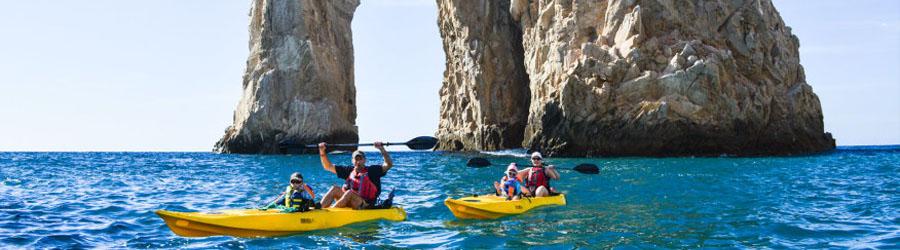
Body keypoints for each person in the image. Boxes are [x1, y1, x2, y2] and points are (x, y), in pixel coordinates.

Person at [318, 141, 394, 209]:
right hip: (350, 201)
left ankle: (332, 213)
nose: (358, 162)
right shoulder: (348, 170)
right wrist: (322, 152)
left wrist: (382, 149)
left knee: (349, 193)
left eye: (360, 159)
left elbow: (388, 164)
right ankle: (318, 209)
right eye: (356, 159)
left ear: (364, 160)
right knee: (334, 189)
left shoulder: (372, 170)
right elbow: (328, 166)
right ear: (352, 161)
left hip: (365, 204)